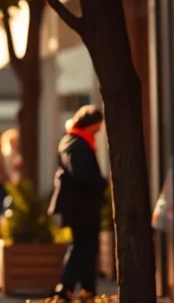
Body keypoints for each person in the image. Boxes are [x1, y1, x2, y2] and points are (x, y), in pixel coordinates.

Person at [48, 105, 109, 301]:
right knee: (82, 246)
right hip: (81, 206)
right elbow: (82, 174)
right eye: (98, 125)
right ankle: (65, 288)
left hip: (83, 205)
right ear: (90, 124)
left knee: (87, 247)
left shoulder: (76, 141)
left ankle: (87, 290)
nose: (99, 130)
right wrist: (102, 183)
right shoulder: (75, 143)